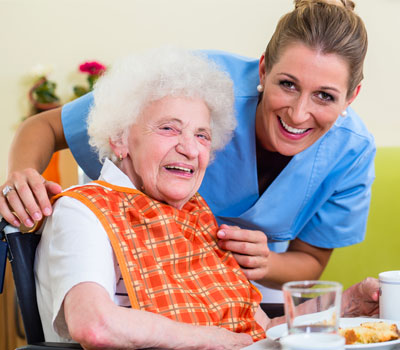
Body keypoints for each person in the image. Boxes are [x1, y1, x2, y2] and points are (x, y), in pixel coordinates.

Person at [2, 0, 375, 307]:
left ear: (351, 97)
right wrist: (21, 177)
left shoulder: (352, 152)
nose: (298, 114)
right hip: (141, 268)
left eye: (325, 96)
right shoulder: (196, 85)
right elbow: (44, 127)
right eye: (287, 85)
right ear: (264, 69)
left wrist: (268, 261)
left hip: (241, 286)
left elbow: (309, 262)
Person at [34, 47, 379, 350]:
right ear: (120, 138)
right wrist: (211, 338)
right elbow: (93, 325)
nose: (189, 149)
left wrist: (349, 305)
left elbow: (260, 331)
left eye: (202, 135)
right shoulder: (83, 210)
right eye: (168, 128)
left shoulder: (194, 217)